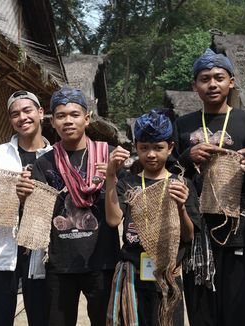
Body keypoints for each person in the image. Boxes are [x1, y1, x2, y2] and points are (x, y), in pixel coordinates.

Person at [172, 48, 245, 326]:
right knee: (201, 313)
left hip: (238, 230)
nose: (212, 84)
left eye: (218, 77)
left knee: (237, 310)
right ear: (194, 86)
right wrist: (187, 157)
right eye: (204, 79)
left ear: (231, 82)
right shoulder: (183, 124)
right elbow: (172, 175)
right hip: (197, 230)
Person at [16, 86, 120, 326]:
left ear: (87, 118)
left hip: (102, 261)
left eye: (74, 114)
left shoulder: (110, 156)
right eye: (61, 116)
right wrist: (24, 198)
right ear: (52, 122)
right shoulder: (44, 163)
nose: (68, 121)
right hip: (60, 264)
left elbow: (120, 211)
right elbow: (38, 214)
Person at [105, 109, 197, 325]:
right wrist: (111, 175)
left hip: (168, 275)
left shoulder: (181, 184)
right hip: (133, 275)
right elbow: (113, 220)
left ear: (171, 147)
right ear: (136, 147)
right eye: (144, 148)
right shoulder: (128, 182)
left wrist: (182, 207)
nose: (151, 154)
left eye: (158, 148)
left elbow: (189, 235)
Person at [0, 90, 53, 325]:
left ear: (40, 113)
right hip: (2, 248)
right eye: (15, 114)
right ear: (10, 120)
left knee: (41, 317)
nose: (22, 117)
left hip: (39, 248)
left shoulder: (54, 157)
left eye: (27, 110)